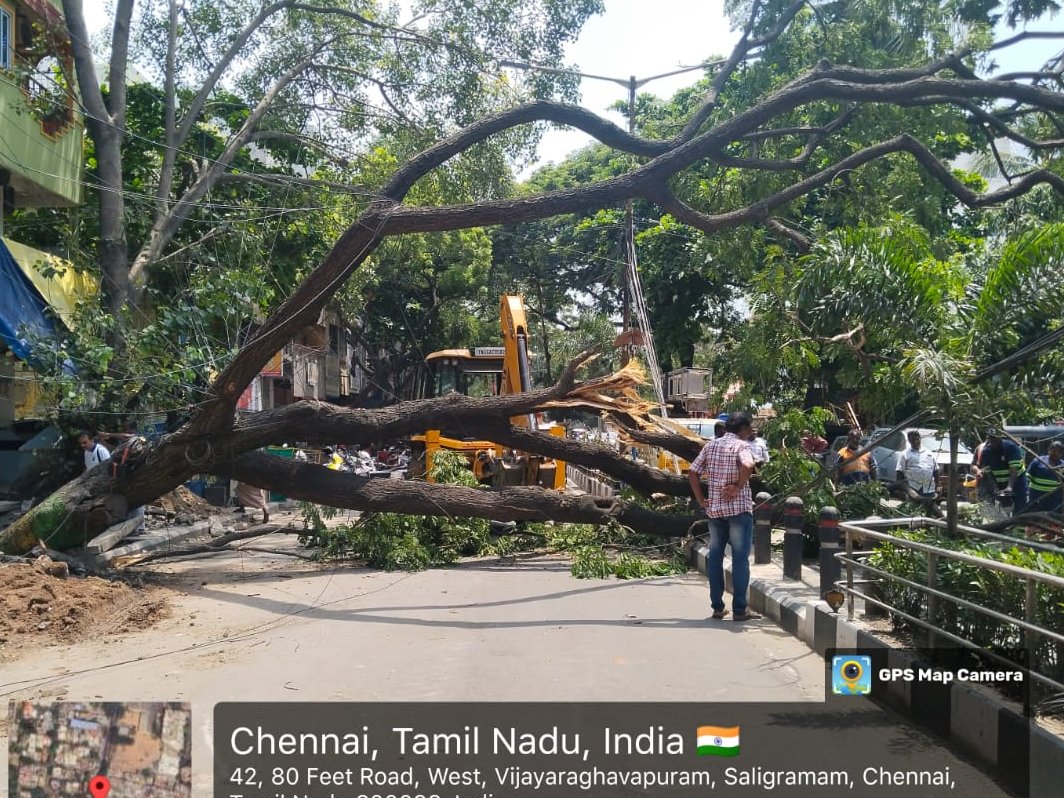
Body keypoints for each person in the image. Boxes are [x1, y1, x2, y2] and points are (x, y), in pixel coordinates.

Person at [687, 411, 761, 622]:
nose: (750, 433)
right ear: (742, 429)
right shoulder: (741, 446)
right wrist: (738, 486)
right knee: (740, 559)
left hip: (715, 511)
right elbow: (747, 465)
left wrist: (702, 500)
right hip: (738, 510)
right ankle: (739, 610)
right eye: (749, 429)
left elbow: (692, 472)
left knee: (715, 557)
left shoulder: (711, 445)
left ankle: (718, 607)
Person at [976, 429, 1028, 513]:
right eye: (991, 438)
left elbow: (1014, 468)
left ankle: (1020, 522)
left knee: (1020, 506)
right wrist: (995, 488)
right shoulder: (986, 452)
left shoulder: (1011, 447)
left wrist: (1010, 486)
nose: (994, 441)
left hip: (1017, 481)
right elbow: (988, 472)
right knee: (1005, 506)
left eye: (996, 438)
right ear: (988, 439)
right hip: (1001, 483)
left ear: (1000, 438)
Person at [897, 430, 938, 498]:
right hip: (912, 488)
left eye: (917, 439)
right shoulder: (904, 454)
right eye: (913, 440)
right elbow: (899, 472)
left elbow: (936, 470)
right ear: (909, 441)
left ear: (920, 438)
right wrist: (900, 490)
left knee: (929, 506)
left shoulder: (929, 453)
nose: (915, 441)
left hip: (928, 488)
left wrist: (938, 485)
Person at [1025, 440, 1063, 514]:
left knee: (1052, 521)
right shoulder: (1038, 461)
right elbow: (1027, 478)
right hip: (1036, 498)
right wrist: (1027, 494)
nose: (1056, 453)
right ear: (1049, 450)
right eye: (1054, 450)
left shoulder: (1062, 465)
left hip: (1054, 499)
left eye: (1059, 452)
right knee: (1035, 518)